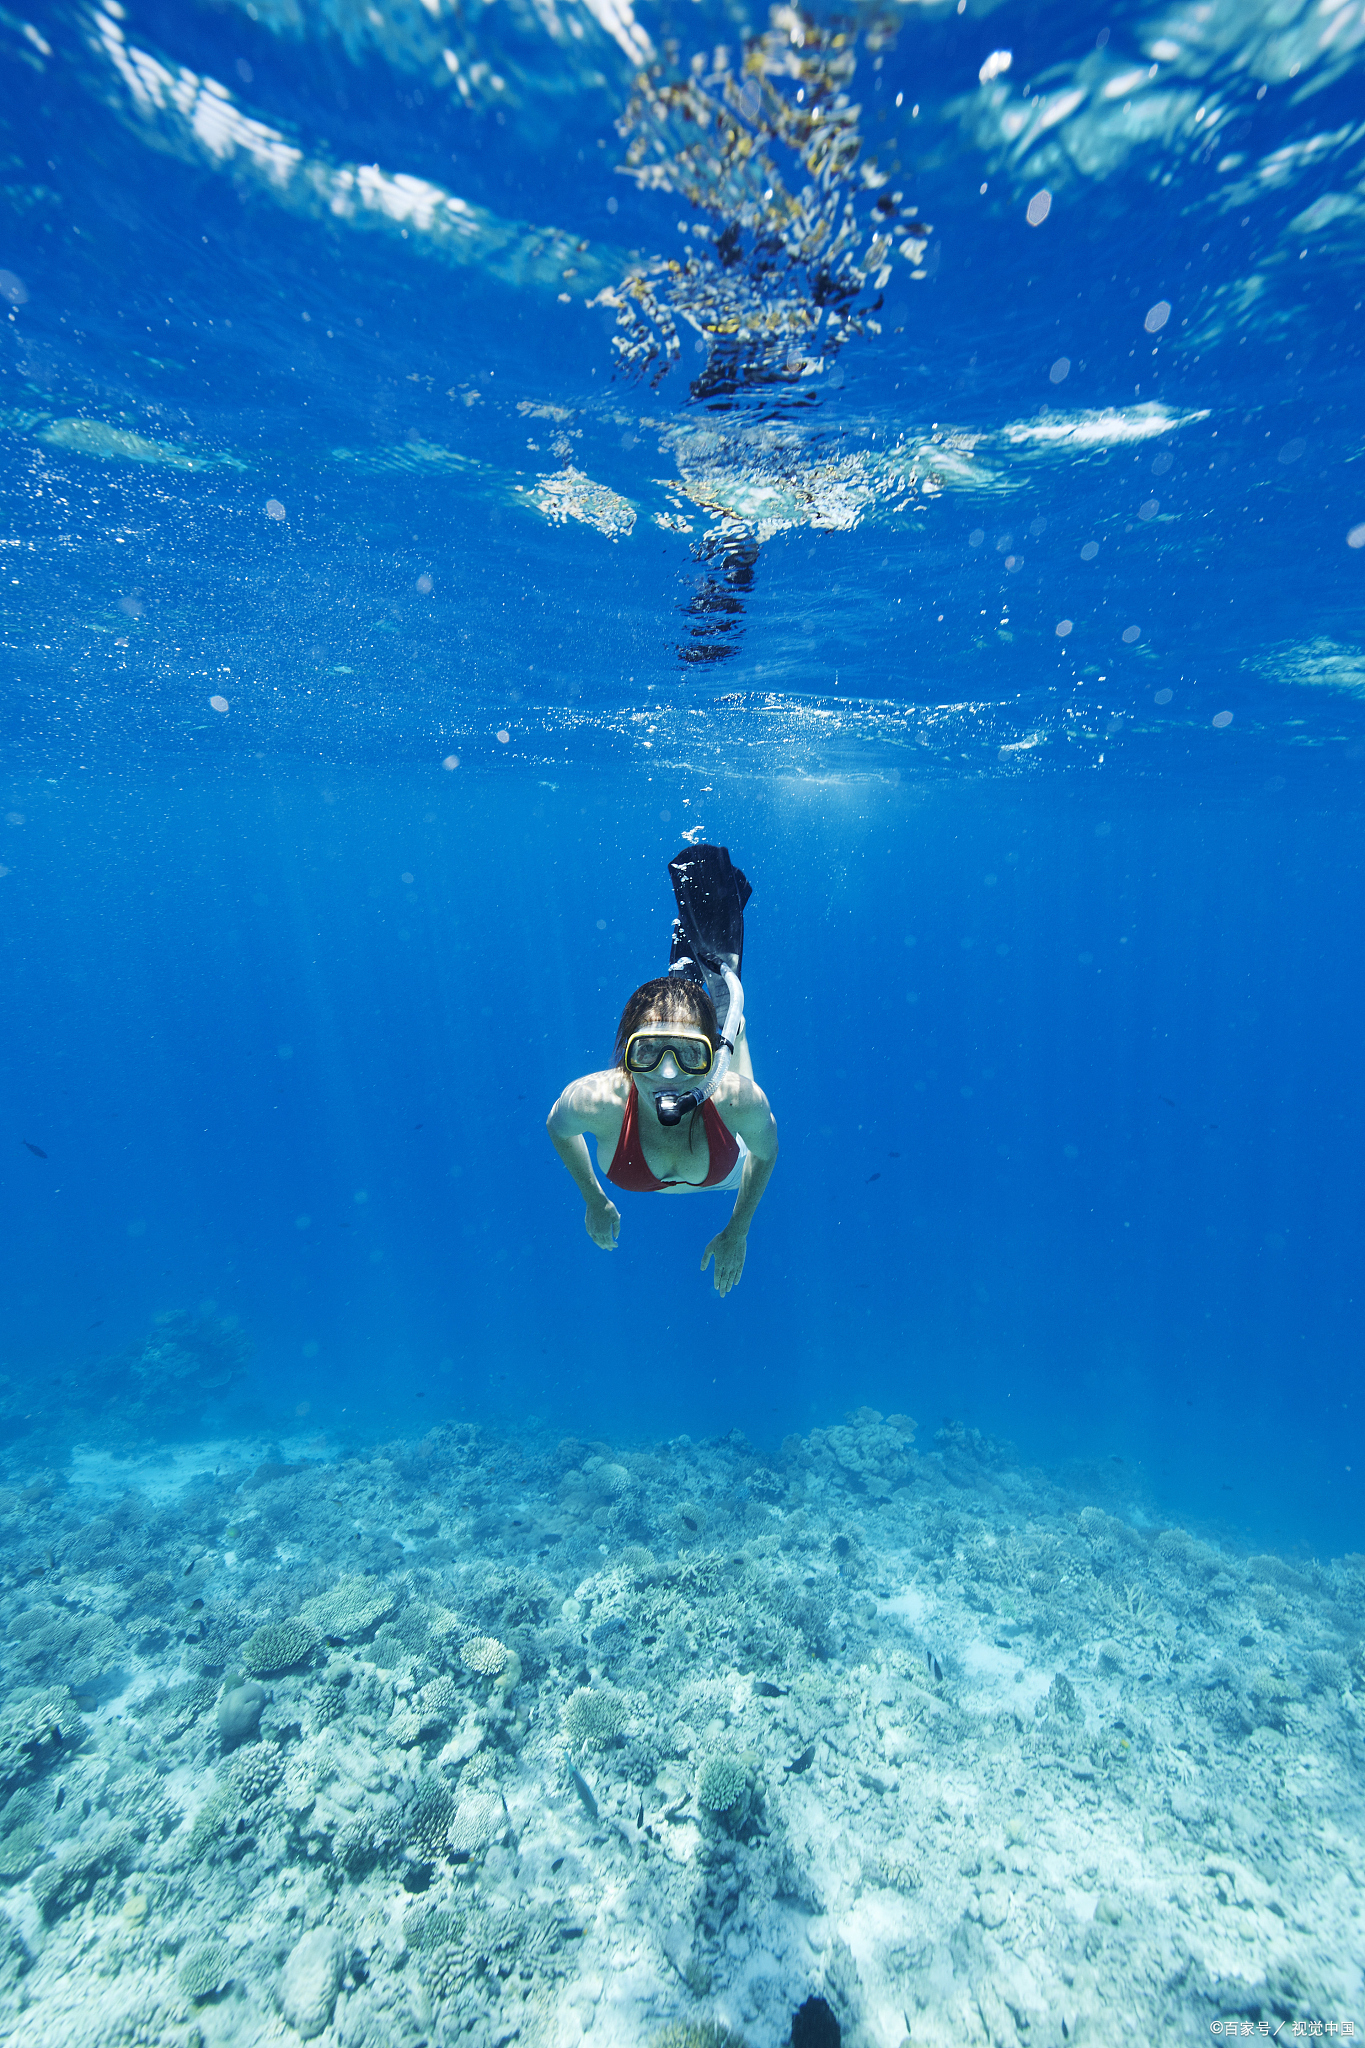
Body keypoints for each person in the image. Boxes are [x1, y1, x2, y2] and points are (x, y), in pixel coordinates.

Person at [547, 844, 778, 1296]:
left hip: (728, 1166)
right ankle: (704, 980)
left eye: (692, 1055)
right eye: (648, 1051)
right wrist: (592, 1198)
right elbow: (558, 1129)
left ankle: (729, 1020)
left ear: (711, 1055)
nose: (668, 1074)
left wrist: (739, 1229)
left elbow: (765, 1154)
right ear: (624, 1052)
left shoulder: (734, 1098)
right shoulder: (596, 1099)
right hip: (715, 1163)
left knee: (733, 1043)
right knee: (696, 1015)